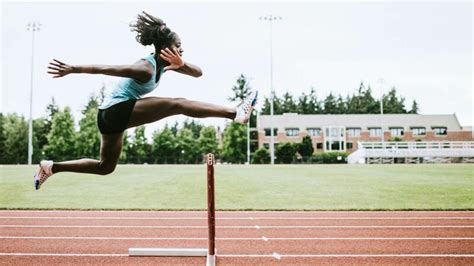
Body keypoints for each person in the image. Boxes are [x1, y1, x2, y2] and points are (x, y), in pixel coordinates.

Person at [34, 11, 258, 190]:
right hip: (115, 110)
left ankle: (50, 167)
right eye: (178, 45)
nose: (182, 49)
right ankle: (236, 113)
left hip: (109, 117)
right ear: (164, 48)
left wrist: (181, 63)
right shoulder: (146, 68)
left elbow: (198, 73)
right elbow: (109, 68)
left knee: (105, 167)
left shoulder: (167, 65)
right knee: (177, 103)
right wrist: (74, 68)